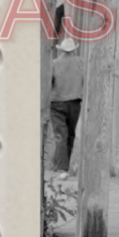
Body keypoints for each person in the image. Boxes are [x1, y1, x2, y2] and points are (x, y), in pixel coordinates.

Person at [49, 35, 84, 174]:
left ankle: (61, 167)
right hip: (74, 102)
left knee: (60, 135)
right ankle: (62, 166)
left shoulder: (54, 63)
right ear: (74, 50)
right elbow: (85, 80)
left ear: (61, 50)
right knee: (70, 135)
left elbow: (49, 83)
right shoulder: (80, 62)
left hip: (56, 103)